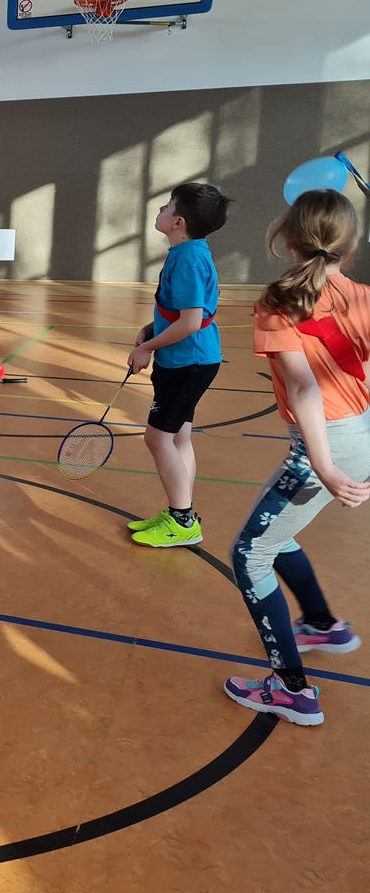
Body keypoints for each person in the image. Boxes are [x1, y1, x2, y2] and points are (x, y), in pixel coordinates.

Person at [223, 189, 370, 726]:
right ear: (349, 246)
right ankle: (323, 625)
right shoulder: (361, 295)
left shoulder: (278, 301)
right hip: (359, 435)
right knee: (276, 534)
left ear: (287, 240)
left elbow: (306, 388)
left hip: (325, 444)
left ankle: (291, 690)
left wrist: (324, 465)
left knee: (249, 554)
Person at [125, 183, 232, 548]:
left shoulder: (187, 259)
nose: (161, 209)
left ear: (178, 222)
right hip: (194, 359)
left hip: (187, 362)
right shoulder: (189, 252)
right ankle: (179, 511)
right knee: (179, 437)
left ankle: (183, 520)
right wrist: (151, 328)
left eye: (168, 205)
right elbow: (184, 314)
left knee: (156, 438)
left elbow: (190, 322)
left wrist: (147, 348)